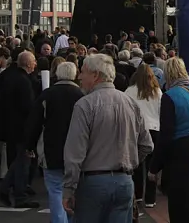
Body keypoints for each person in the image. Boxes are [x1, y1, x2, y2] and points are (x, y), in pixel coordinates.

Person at [62, 54, 154, 223]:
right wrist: (129, 161)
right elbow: (147, 145)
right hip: (124, 181)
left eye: (83, 72)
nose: (79, 77)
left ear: (95, 75)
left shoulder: (85, 105)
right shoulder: (131, 103)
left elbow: (75, 153)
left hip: (93, 182)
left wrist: (69, 188)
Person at [150, 57, 189, 223]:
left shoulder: (169, 97)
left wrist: (155, 167)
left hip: (180, 158)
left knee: (180, 209)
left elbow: (166, 135)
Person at [25, 61, 84, 223]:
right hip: (77, 152)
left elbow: (35, 123)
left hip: (51, 149)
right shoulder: (82, 95)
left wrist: (29, 146)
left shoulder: (47, 95)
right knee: (75, 192)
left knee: (56, 191)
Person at [0, 50, 39, 208]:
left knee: (19, 160)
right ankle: (18, 195)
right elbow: (28, 107)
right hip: (21, 128)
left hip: (8, 126)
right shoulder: (24, 81)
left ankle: (6, 188)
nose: (35, 64)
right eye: (33, 61)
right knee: (23, 161)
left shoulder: (7, 76)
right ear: (28, 63)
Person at [125, 63, 162, 209]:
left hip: (137, 130)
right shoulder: (157, 91)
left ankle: (138, 195)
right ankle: (150, 199)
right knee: (152, 167)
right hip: (155, 128)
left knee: (137, 164)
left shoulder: (129, 91)